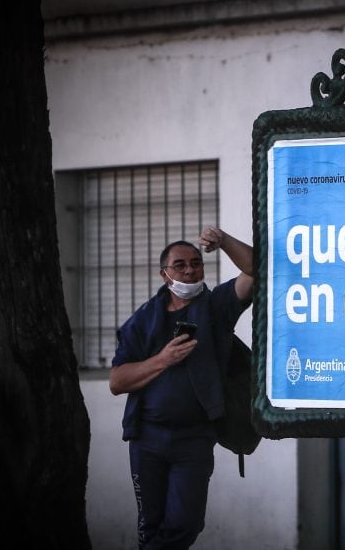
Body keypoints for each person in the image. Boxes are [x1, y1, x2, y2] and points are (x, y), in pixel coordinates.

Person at [109, 227, 254, 549]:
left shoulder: (216, 306)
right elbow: (117, 382)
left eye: (196, 263)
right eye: (180, 265)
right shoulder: (143, 320)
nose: (189, 270)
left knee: (185, 525)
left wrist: (225, 241)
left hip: (195, 438)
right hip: (147, 438)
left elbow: (257, 271)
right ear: (165, 274)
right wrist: (163, 359)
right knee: (151, 526)